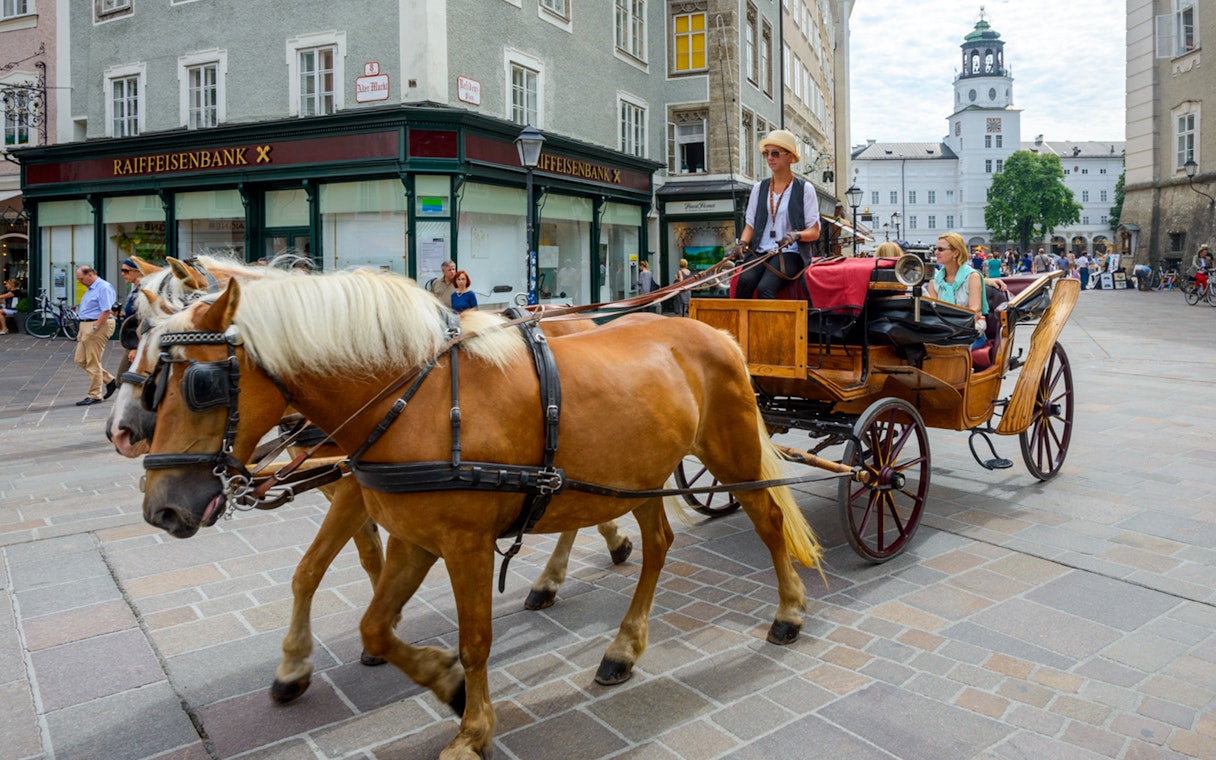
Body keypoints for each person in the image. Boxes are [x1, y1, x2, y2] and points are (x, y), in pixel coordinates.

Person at [729, 129, 821, 299]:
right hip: (760, 251)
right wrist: (742, 244)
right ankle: (743, 326)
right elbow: (750, 224)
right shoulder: (759, 188)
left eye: (775, 153)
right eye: (766, 153)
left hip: (791, 252)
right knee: (744, 282)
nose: (770, 158)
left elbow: (814, 231)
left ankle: (770, 327)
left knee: (766, 288)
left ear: (790, 157)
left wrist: (796, 235)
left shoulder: (804, 189)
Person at [926, 233, 1000, 352]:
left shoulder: (972, 276)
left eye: (941, 249)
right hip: (942, 335)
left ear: (955, 253)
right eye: (935, 249)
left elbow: (974, 312)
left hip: (969, 335)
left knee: (950, 351)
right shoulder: (934, 280)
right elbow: (934, 313)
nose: (936, 252)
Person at [73, 266, 118, 406]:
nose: (80, 282)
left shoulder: (103, 287)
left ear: (91, 274)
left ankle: (95, 394)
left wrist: (95, 327)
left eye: (81, 279)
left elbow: (107, 310)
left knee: (93, 361)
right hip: (85, 324)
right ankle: (110, 380)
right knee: (80, 359)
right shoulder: (92, 288)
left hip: (97, 325)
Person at [114, 259, 144, 380]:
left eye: (126, 271)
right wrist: (123, 315)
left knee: (122, 378)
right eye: (122, 271)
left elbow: (144, 319)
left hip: (136, 342)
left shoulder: (142, 291)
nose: (122, 274)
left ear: (138, 272)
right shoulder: (133, 289)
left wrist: (135, 347)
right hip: (131, 341)